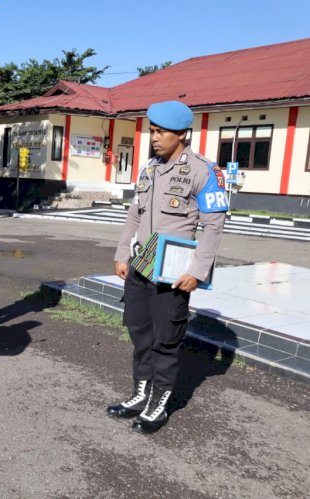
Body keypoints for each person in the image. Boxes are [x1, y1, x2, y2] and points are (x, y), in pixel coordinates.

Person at [107, 100, 228, 434]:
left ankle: (158, 405)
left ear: (182, 134)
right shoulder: (150, 168)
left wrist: (197, 272)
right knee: (139, 331)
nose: (155, 137)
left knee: (165, 339)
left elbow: (213, 226)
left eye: (161, 132)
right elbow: (134, 215)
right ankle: (140, 395)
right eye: (153, 131)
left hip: (173, 274)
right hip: (140, 267)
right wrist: (121, 254)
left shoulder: (203, 171)